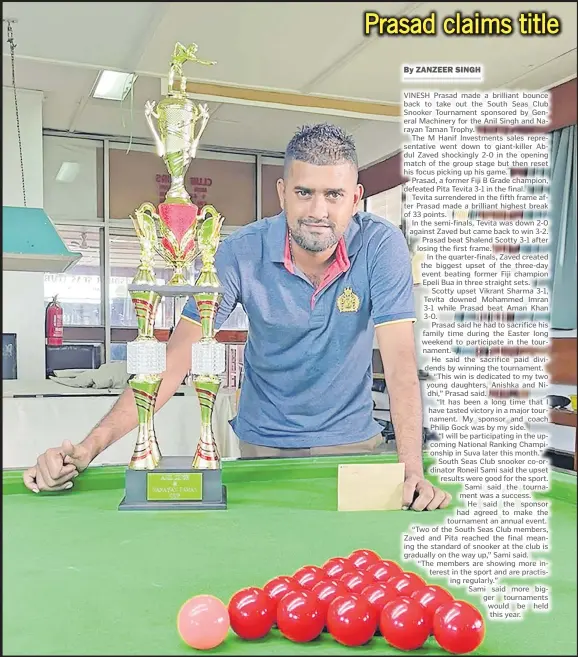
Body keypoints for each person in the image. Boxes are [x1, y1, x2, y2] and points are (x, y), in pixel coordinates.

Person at [23, 123, 451, 512]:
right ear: (282, 192)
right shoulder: (239, 252)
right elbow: (175, 362)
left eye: (334, 195)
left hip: (352, 446)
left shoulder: (382, 247)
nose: (319, 210)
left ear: (355, 199)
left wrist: (411, 469)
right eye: (304, 193)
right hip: (261, 445)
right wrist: (87, 448)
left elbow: (399, 365)